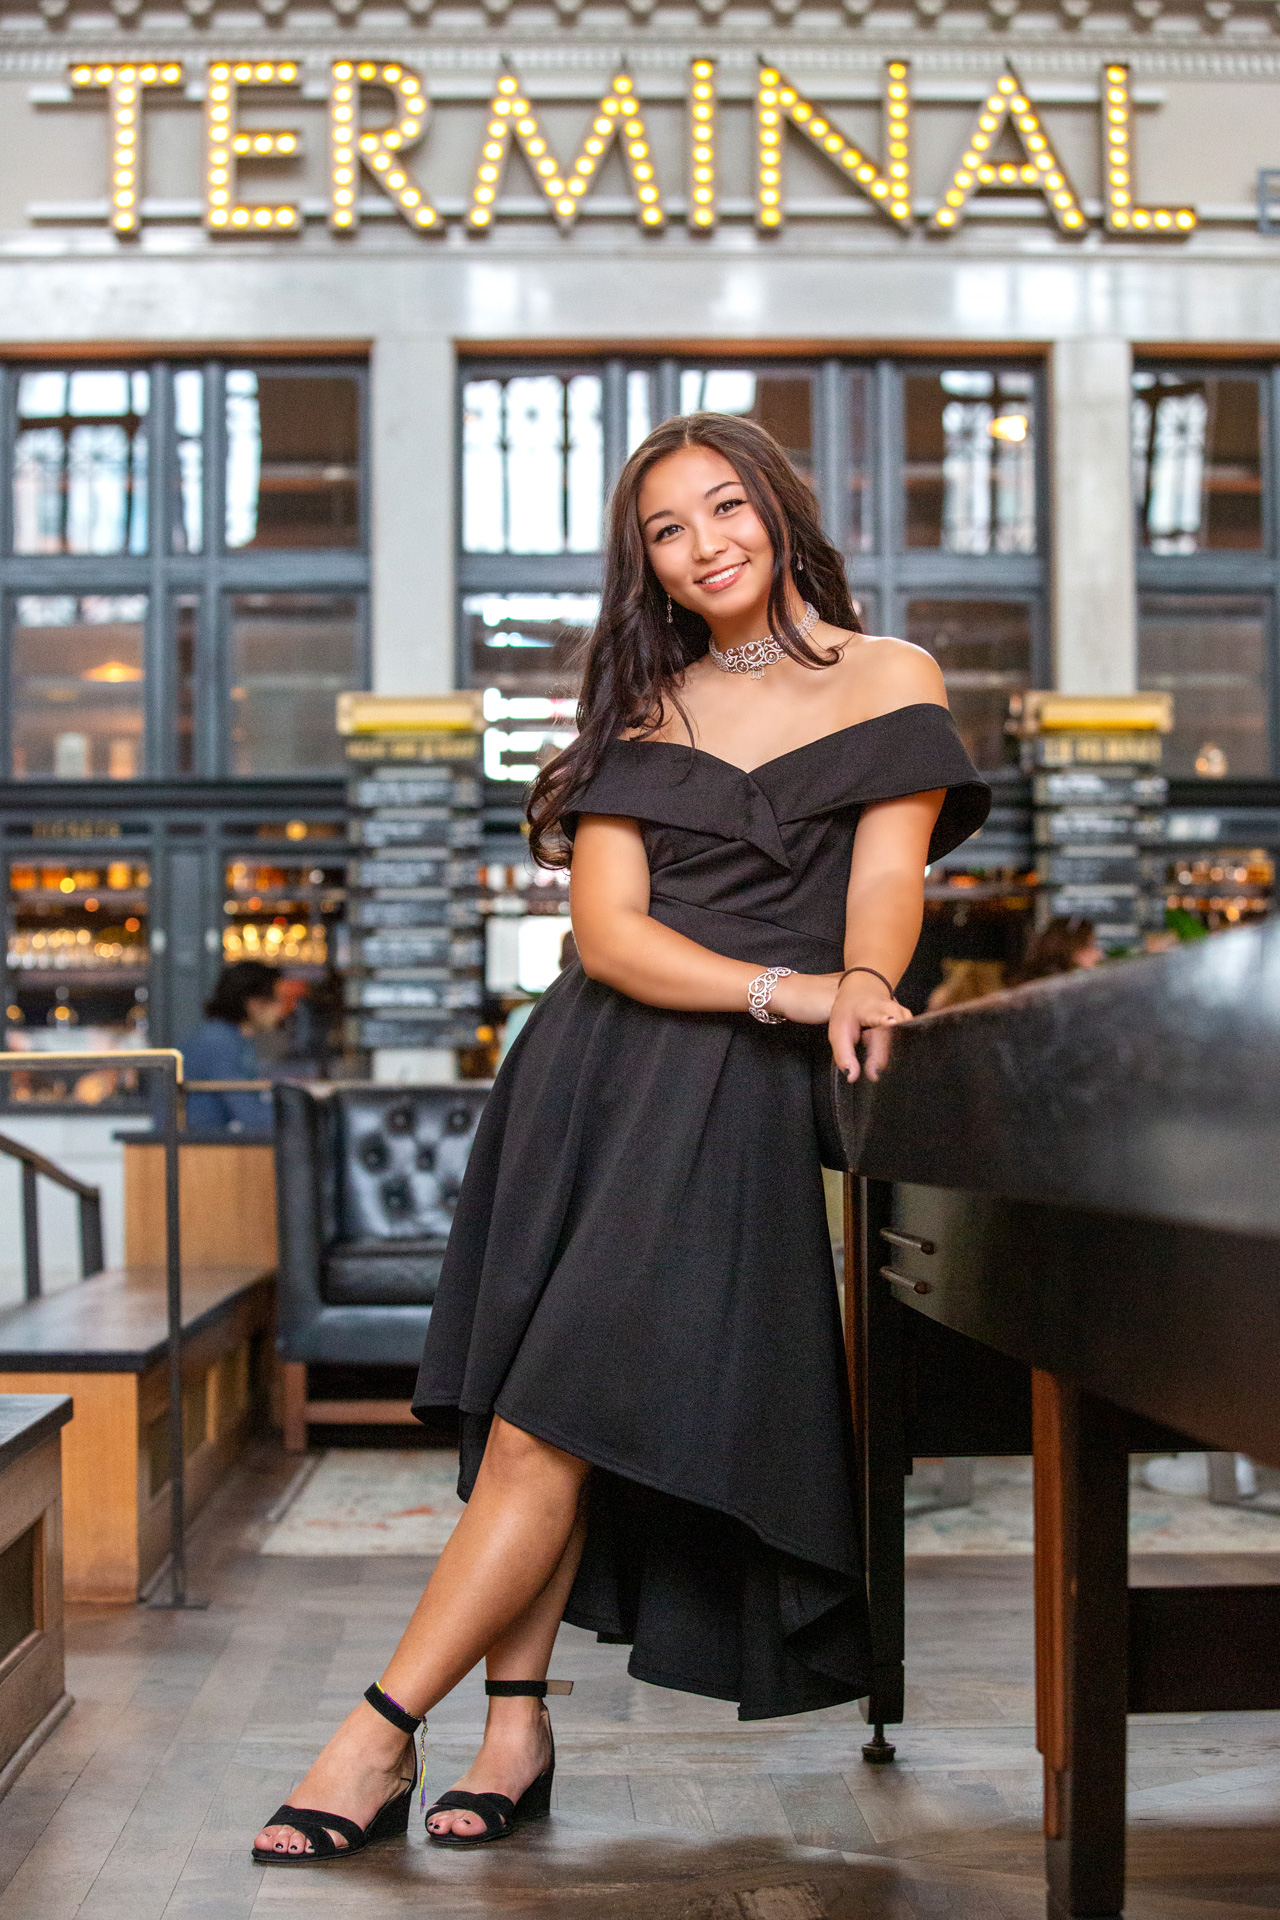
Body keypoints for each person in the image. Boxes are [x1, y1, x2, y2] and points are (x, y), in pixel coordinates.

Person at [252, 411, 990, 1865]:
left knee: (554, 1419)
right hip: (589, 1076)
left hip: (733, 1105)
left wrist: (859, 982)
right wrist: (794, 987)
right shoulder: (639, 710)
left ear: (777, 513)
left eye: (727, 508)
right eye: (668, 528)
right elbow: (610, 938)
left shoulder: (892, 676)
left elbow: (887, 880)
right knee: (543, 1417)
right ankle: (512, 1729)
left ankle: (371, 1735)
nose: (707, 542)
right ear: (642, 563)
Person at [181, 960, 283, 1134]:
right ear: (253, 1003)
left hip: (204, 1147)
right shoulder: (218, 1042)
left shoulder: (231, 1038)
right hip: (196, 1151)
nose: (281, 1008)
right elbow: (252, 1115)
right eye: (276, 998)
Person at [1011, 915, 1103, 985]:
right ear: (1073, 950)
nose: (1099, 954)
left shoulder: (1036, 983)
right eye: (1092, 946)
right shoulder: (1061, 991)